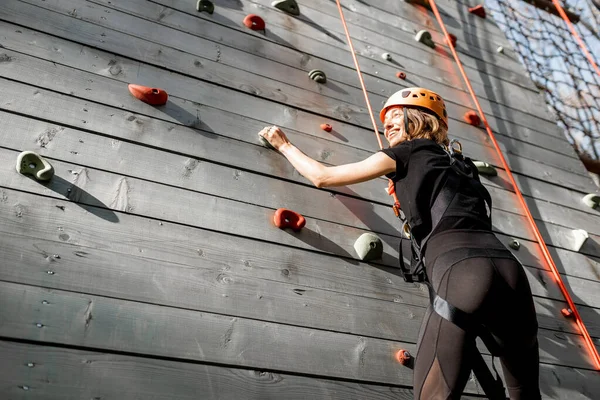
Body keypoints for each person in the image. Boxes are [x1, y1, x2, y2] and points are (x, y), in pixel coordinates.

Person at [259, 87, 541, 400]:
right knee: (525, 395)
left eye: (396, 117)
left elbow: (324, 177)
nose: (388, 125)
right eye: (386, 121)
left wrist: (284, 146)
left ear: (420, 120)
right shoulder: (463, 165)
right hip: (512, 277)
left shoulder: (406, 153)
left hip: (462, 272)